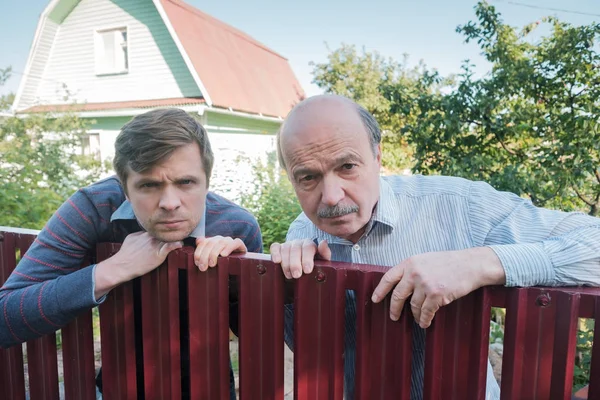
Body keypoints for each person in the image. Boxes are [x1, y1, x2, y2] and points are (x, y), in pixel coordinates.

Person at [269, 94, 600, 399]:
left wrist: (478, 264)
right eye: (308, 177)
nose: (331, 196)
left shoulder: (459, 207)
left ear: (378, 156)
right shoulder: (303, 231)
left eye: (347, 167)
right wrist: (289, 292)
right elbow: (317, 355)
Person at [0, 108, 261, 399]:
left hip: (210, 390)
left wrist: (244, 275)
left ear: (207, 180)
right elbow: (4, 316)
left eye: (186, 182)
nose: (170, 202)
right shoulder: (94, 208)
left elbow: (259, 337)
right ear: (124, 187)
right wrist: (112, 270)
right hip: (114, 389)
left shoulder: (237, 225)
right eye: (149, 185)